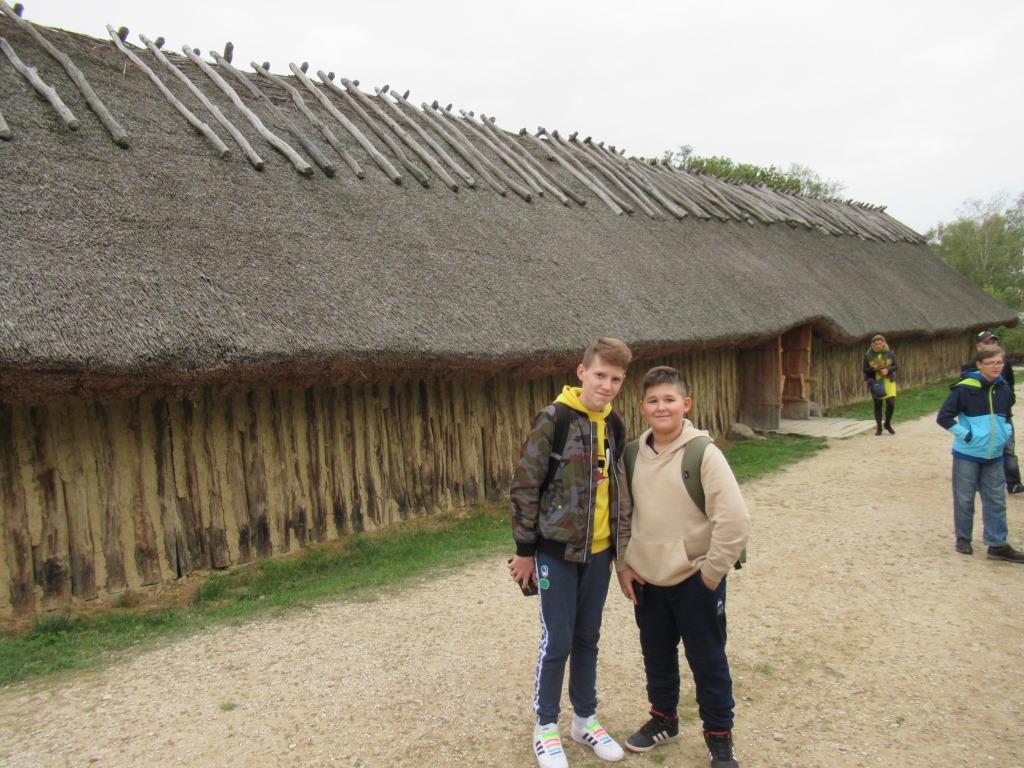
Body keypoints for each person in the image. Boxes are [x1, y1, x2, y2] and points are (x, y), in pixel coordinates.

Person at [615, 366, 750, 768]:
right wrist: (623, 564)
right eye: (653, 401)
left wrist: (710, 573)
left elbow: (734, 520)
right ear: (642, 408)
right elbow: (623, 517)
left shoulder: (703, 454)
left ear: (685, 404)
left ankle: (719, 736)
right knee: (656, 654)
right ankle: (664, 718)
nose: (662, 407)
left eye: (669, 400)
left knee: (707, 659)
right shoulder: (631, 455)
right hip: (647, 578)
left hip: (695, 579)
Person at [509, 337, 633, 768]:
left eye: (616, 379)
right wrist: (525, 550)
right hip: (555, 553)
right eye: (600, 375)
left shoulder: (615, 424)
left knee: (587, 638)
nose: (607, 385)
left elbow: (618, 487)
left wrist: (621, 552)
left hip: (599, 554)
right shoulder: (554, 419)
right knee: (557, 639)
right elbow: (525, 485)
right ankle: (545, 726)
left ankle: (584, 719)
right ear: (582, 373)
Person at [937, 345, 1024, 562]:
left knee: (996, 499)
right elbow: (944, 417)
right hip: (967, 454)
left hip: (994, 455)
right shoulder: (964, 389)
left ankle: (997, 544)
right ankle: (963, 538)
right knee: (965, 498)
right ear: (979, 365)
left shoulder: (1004, 389)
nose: (996, 366)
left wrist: (1004, 435)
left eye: (1000, 362)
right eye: (991, 363)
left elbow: (1006, 417)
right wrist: (967, 436)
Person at [962, 330, 1024, 494]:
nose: (991, 345)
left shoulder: (1005, 365)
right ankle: (978, 481)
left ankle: (1014, 482)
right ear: (978, 346)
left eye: (993, 342)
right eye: (987, 342)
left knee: (1008, 448)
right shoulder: (969, 367)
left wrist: (1007, 403)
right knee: (981, 447)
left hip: (1003, 415)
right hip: (980, 417)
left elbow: (1010, 387)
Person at [863, 334, 898, 435]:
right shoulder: (868, 355)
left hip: (889, 380)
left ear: (884, 343)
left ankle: (887, 424)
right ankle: (879, 428)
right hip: (875, 382)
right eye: (876, 344)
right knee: (878, 405)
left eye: (880, 343)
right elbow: (865, 369)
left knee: (891, 404)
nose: (878, 345)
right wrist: (874, 369)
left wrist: (888, 370)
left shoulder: (890, 353)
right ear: (873, 344)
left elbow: (896, 366)